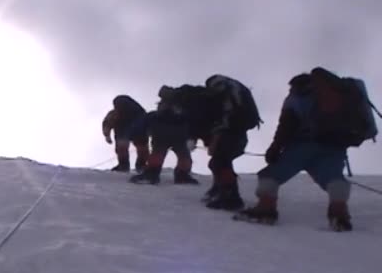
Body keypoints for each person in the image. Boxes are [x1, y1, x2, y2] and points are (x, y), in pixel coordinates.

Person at [235, 68, 379, 231]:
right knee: (333, 178)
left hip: (304, 145)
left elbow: (286, 126)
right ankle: (340, 214)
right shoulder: (341, 93)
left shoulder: (297, 95)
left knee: (271, 175)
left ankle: (265, 210)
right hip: (336, 145)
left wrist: (274, 149)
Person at [198, 74, 262, 210]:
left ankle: (230, 197)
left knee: (220, 162)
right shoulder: (235, 88)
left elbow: (224, 116)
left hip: (230, 132)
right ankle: (221, 190)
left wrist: (214, 135)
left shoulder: (223, 90)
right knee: (220, 162)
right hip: (237, 132)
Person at [129, 85, 200, 185]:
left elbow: (143, 123)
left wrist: (137, 134)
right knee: (183, 156)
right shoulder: (184, 111)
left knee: (159, 154)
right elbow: (192, 124)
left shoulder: (156, 114)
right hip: (179, 135)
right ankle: (182, 175)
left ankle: (152, 174)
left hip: (161, 134)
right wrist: (192, 137)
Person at [102, 95, 149, 172]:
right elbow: (107, 123)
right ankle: (140, 165)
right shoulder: (141, 113)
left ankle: (125, 165)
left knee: (125, 148)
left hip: (125, 132)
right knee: (141, 148)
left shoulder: (115, 113)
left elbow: (107, 123)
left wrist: (107, 135)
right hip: (136, 133)